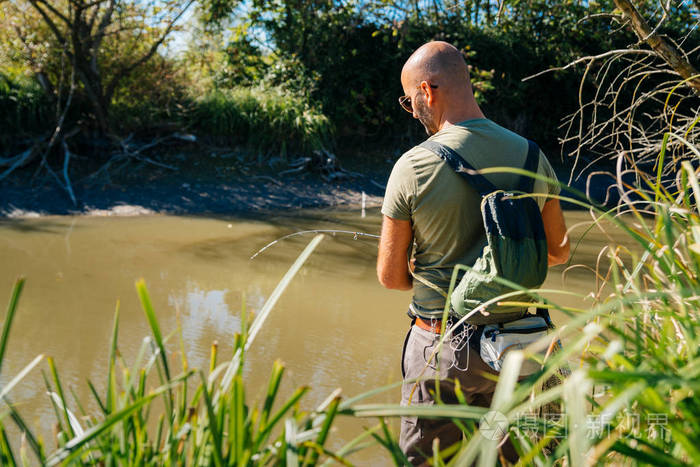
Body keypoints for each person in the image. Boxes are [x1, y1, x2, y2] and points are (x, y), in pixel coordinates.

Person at [376, 41, 570, 464]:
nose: (413, 112)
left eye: (411, 101)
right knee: (521, 457)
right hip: (523, 346)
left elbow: (390, 277)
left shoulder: (412, 165)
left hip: (443, 345)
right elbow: (558, 252)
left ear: (427, 91)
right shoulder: (533, 156)